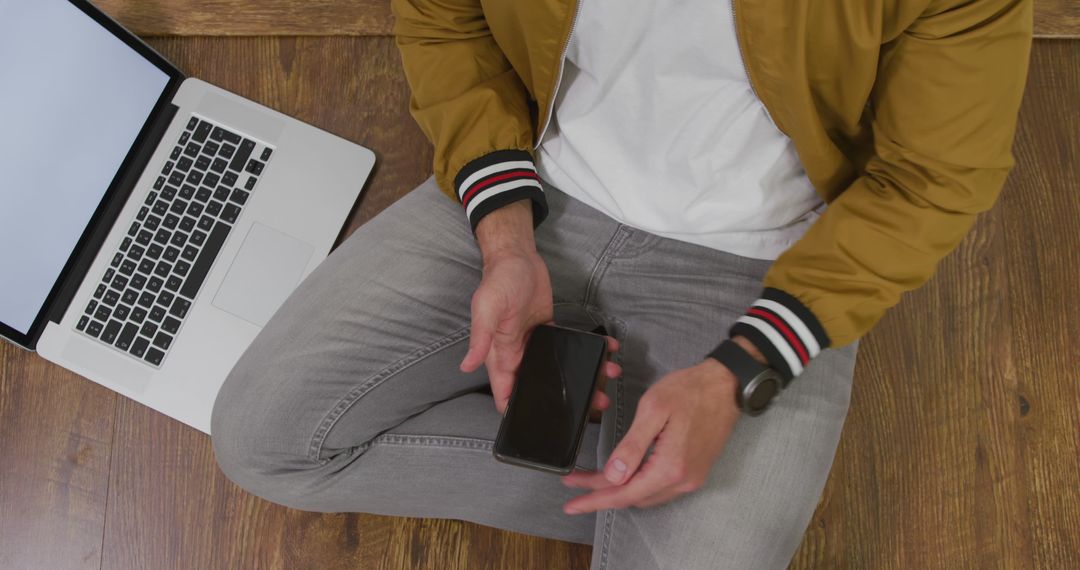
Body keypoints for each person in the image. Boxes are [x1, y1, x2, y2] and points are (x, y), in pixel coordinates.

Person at [209, 0, 1032, 567]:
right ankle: (651, 499)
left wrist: (740, 371)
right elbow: (443, 16)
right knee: (265, 439)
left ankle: (664, 495)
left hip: (769, 270)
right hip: (533, 184)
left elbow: (934, 179)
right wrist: (504, 238)